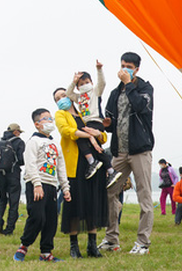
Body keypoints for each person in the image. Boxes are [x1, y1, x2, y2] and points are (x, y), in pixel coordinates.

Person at [99, 52, 155, 255]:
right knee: (109, 192)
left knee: (144, 195)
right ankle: (111, 238)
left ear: (137, 69)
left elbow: (141, 107)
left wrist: (129, 84)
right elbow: (112, 121)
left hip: (140, 150)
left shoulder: (145, 88)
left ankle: (143, 242)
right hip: (119, 151)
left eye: (129, 66)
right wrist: (108, 125)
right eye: (123, 65)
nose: (125, 69)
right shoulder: (115, 93)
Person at [54, 86, 108, 259]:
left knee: (93, 201)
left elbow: (103, 136)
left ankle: (92, 245)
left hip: (93, 163)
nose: (62, 98)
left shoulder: (85, 113)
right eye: (58, 98)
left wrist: (97, 134)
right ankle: (74, 246)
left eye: (64, 95)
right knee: (74, 205)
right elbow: (67, 132)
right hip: (74, 164)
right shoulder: (61, 115)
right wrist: (89, 136)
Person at [13, 108, 71, 262]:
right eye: (46, 119)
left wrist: (65, 188)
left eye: (51, 118)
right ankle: (24, 245)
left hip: (52, 185)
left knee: (51, 220)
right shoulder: (33, 142)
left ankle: (46, 252)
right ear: (37, 124)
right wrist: (36, 184)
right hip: (36, 184)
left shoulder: (54, 143)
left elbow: (61, 167)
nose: (50, 121)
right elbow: (30, 164)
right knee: (37, 217)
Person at [66, 61, 121, 186]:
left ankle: (91, 161)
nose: (84, 85)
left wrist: (99, 69)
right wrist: (73, 82)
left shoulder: (95, 92)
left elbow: (102, 83)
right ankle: (111, 170)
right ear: (78, 87)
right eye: (81, 84)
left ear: (91, 82)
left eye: (87, 82)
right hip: (87, 124)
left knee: (79, 137)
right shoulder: (79, 97)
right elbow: (69, 93)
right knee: (95, 148)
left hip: (95, 122)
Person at [0, 123, 26, 236]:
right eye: (19, 132)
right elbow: (21, 159)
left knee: (2, 198)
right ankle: (9, 229)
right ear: (15, 132)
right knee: (13, 202)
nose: (20, 134)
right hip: (13, 174)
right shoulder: (19, 142)